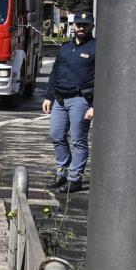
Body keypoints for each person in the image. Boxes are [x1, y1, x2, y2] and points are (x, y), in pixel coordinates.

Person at [42, 11, 95, 193]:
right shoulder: (65, 48)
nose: (81, 28)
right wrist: (49, 97)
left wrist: (94, 106)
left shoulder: (97, 48)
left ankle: (75, 179)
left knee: (78, 140)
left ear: (92, 27)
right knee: (57, 136)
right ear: (73, 26)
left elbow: (103, 79)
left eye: (85, 25)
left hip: (81, 100)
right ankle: (62, 173)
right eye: (78, 24)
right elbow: (55, 73)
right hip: (59, 99)